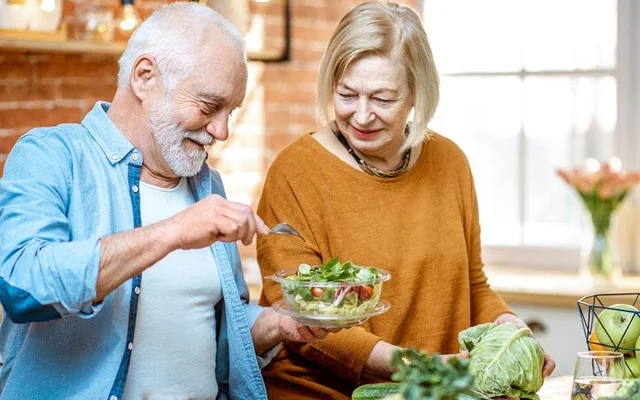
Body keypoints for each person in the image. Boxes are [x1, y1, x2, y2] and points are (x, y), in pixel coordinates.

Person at [0, 3, 334, 400]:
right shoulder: (51, 155)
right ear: (145, 77)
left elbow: (212, 337)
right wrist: (173, 231)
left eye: (232, 111)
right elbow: (22, 286)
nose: (222, 130)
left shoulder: (207, 186)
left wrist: (278, 325)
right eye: (210, 107)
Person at [256, 2, 556, 399]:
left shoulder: (449, 162)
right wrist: (419, 367)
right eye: (346, 94)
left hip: (431, 389)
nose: (361, 115)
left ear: (417, 92)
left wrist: (508, 330)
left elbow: (472, 283)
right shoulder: (296, 171)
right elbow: (300, 316)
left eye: (382, 98)